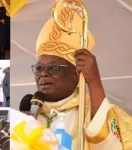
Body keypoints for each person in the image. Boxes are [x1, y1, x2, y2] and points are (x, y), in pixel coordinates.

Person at [20, 5, 132, 149]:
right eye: (39, 68)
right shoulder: (28, 115)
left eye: (53, 67)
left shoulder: (90, 112)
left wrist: (94, 81)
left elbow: (107, 144)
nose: (43, 73)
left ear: (75, 75)